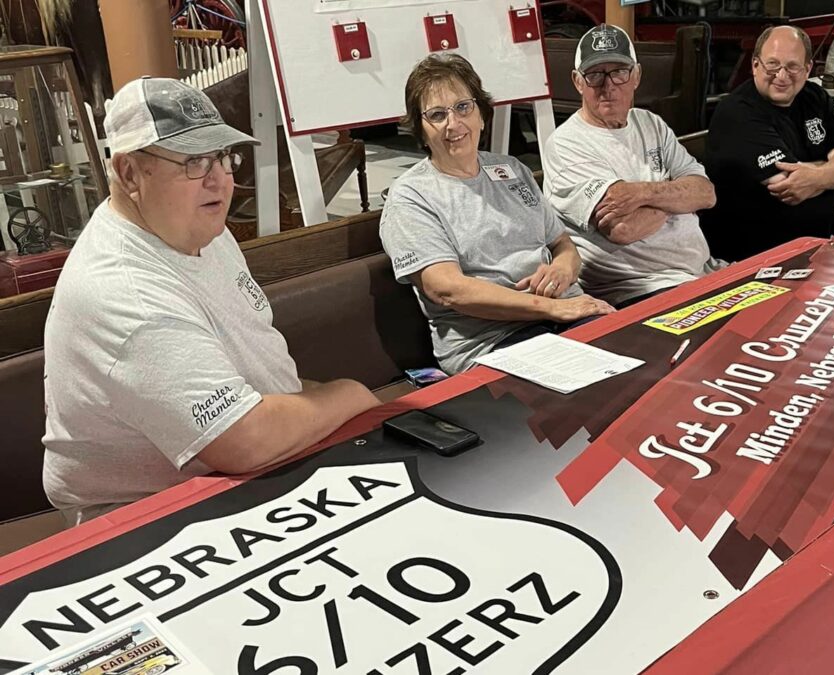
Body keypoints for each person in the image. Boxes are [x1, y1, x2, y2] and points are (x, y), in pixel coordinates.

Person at [42, 77, 380, 526]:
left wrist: (317, 402)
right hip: (145, 519)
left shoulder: (197, 229)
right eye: (195, 161)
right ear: (128, 173)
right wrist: (353, 395)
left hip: (249, 469)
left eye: (223, 156)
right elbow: (242, 440)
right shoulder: (126, 292)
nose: (221, 179)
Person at [379, 54, 613, 375]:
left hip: (563, 314)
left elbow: (562, 244)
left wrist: (561, 269)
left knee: (647, 362)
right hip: (491, 340)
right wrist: (552, 308)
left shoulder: (511, 169)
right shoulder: (411, 196)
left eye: (463, 107)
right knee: (596, 386)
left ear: (481, 115)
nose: (453, 124)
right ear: (420, 129)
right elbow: (447, 290)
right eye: (437, 115)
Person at [542, 24, 719, 309]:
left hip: (701, 270)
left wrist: (640, 194)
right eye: (595, 74)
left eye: (619, 72)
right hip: (641, 288)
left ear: (636, 76)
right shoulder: (565, 144)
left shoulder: (650, 124)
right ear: (577, 81)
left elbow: (706, 193)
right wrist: (677, 198)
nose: (608, 85)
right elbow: (623, 228)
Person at [702, 25, 834, 262]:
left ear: (807, 69)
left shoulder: (814, 97)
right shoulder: (737, 113)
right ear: (755, 65)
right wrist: (831, 168)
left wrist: (815, 175)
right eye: (772, 64)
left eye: (793, 66)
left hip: (820, 230)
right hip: (759, 248)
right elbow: (791, 187)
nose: (782, 75)